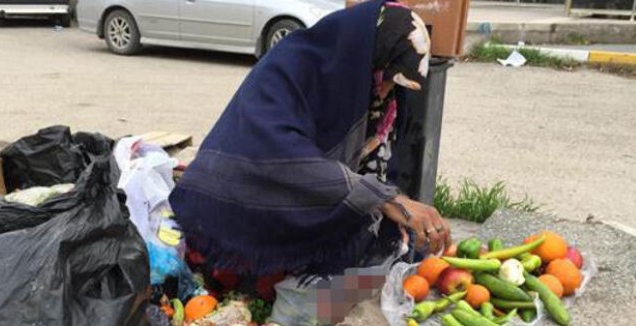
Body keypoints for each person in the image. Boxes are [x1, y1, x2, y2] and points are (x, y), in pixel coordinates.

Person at [170, 0, 450, 294]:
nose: (385, 90)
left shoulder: (370, 90)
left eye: (393, 84)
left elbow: (374, 169)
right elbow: (277, 156)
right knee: (257, 283)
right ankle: (256, 279)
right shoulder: (292, 64)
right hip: (240, 193)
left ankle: (296, 284)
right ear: (367, 56)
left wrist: (399, 216)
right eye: (385, 78)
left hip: (296, 192)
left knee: (360, 236)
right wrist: (387, 200)